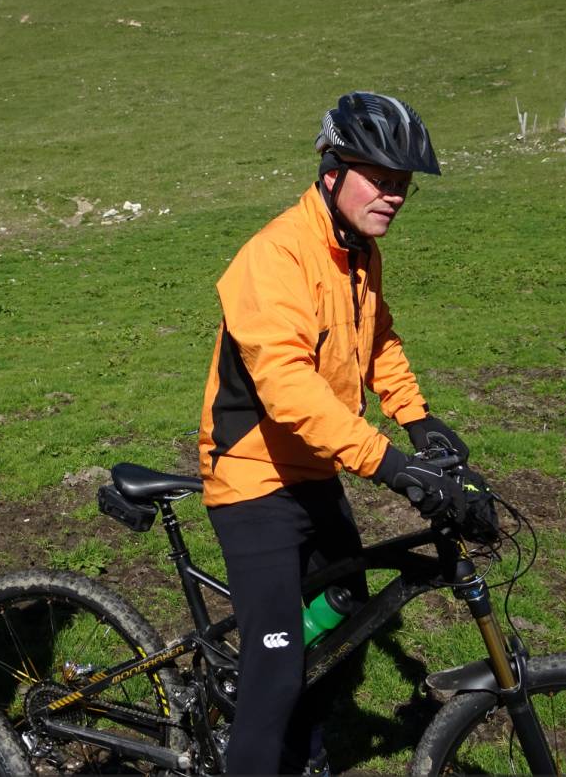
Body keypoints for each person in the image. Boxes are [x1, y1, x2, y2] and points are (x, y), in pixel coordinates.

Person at [197, 91, 495, 774]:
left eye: (403, 184)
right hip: (253, 477)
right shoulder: (275, 255)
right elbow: (289, 389)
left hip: (315, 466)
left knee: (346, 611)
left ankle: (302, 753)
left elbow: (376, 338)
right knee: (274, 672)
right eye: (380, 178)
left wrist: (417, 418)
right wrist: (390, 463)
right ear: (331, 172)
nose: (393, 196)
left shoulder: (359, 251)